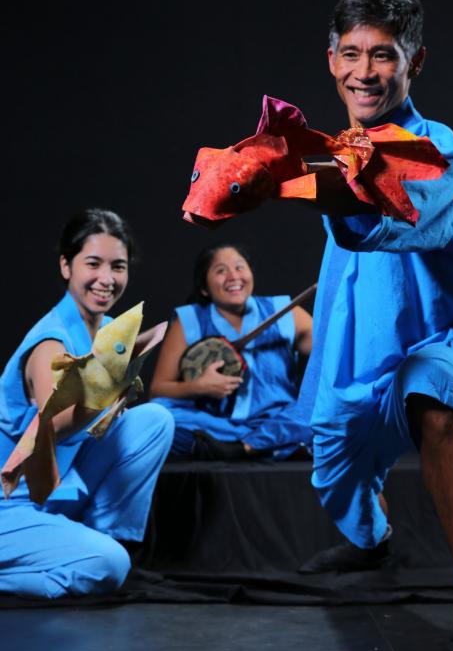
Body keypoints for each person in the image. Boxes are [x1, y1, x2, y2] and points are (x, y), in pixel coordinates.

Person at [295, 0, 453, 651]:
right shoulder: (333, 148)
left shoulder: (435, 143)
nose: (365, 71)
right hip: (354, 363)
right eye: (351, 53)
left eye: (383, 55)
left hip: (438, 343)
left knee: (436, 397)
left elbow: (402, 216)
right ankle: (373, 537)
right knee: (333, 472)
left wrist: (321, 183)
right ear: (330, 60)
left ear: (412, 63)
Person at [0, 208, 174, 598]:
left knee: (156, 420)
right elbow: (52, 425)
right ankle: (92, 555)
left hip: (55, 489)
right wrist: (109, 389)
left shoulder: (110, 330)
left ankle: (101, 537)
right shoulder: (50, 343)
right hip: (9, 504)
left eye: (118, 266)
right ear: (66, 266)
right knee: (106, 567)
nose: (106, 279)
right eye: (92, 264)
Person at [149, 242, 313, 460]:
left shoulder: (287, 313)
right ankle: (267, 448)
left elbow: (330, 362)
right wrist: (198, 386)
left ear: (250, 274)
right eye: (220, 270)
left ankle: (244, 448)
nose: (233, 276)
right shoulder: (189, 320)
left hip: (277, 422)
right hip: (217, 427)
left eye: (239, 267)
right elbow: (158, 390)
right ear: (204, 288)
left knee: (321, 406)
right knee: (157, 412)